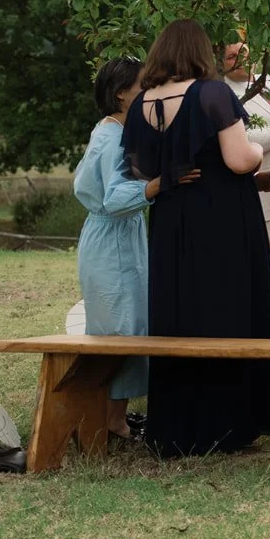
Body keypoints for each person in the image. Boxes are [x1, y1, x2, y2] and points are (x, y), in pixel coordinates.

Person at [123, 19, 270, 457]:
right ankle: (228, 424)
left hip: (173, 215)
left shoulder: (142, 102)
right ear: (200, 53)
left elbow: (140, 168)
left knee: (180, 307)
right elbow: (238, 159)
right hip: (223, 216)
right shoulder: (212, 94)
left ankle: (178, 425)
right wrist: (257, 152)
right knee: (226, 306)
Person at [73, 57, 167, 442]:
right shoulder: (113, 137)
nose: (148, 92)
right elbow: (114, 198)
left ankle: (114, 418)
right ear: (121, 95)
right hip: (111, 239)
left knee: (127, 325)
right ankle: (107, 420)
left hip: (117, 237)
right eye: (142, 85)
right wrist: (160, 185)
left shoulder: (113, 130)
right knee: (118, 330)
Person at [222, 42, 270, 290]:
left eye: (244, 53)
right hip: (265, 198)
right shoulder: (226, 95)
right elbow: (248, 139)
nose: (240, 60)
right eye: (231, 57)